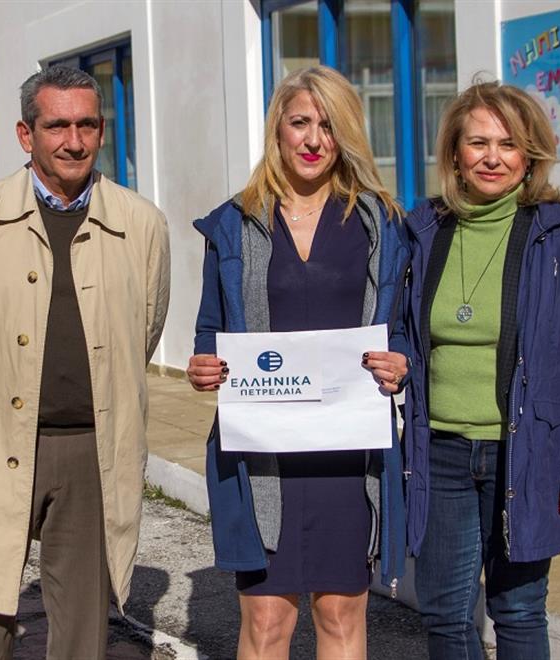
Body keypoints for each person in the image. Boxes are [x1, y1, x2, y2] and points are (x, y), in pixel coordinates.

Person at [0, 64, 170, 660]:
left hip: (91, 452)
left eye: (87, 125)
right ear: (25, 134)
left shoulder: (141, 224)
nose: (73, 141)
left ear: (102, 131)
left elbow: (144, 330)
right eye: (57, 125)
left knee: (83, 631)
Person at [186, 65, 409, 660]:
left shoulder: (380, 225)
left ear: (347, 134)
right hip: (264, 456)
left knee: (340, 614)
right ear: (278, 131)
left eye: (328, 126)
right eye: (300, 123)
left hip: (347, 453)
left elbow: (404, 328)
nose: (313, 140)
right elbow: (210, 327)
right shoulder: (235, 223)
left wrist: (401, 362)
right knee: (266, 622)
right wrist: (204, 364)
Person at [403, 81, 560, 659]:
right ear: (455, 153)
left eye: (508, 144)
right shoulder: (423, 230)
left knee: (518, 610)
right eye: (478, 143)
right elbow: (397, 327)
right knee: (445, 613)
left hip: (525, 452)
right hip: (439, 451)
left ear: (530, 155)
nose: (492, 157)